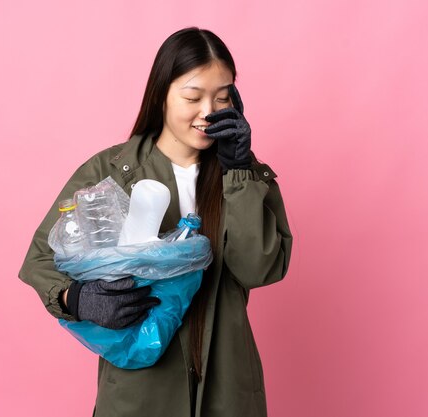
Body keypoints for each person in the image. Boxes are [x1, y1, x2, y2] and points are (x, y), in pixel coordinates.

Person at [19, 27, 293, 417]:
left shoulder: (246, 175)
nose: (209, 112)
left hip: (227, 388)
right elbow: (40, 259)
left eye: (223, 96)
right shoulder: (111, 172)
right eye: (193, 97)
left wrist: (240, 173)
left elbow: (257, 269)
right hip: (140, 391)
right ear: (161, 94)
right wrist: (77, 298)